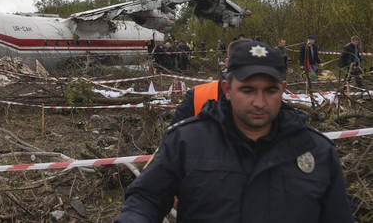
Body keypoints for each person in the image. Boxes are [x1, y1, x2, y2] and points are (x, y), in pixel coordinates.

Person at [115, 41, 353, 222]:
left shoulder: (317, 151)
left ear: (284, 89)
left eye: (270, 91)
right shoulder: (185, 142)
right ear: (227, 89)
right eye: (247, 90)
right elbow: (146, 198)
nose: (259, 102)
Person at [170, 39, 251, 124]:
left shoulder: (264, 98)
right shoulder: (196, 96)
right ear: (227, 63)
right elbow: (175, 135)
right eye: (242, 63)